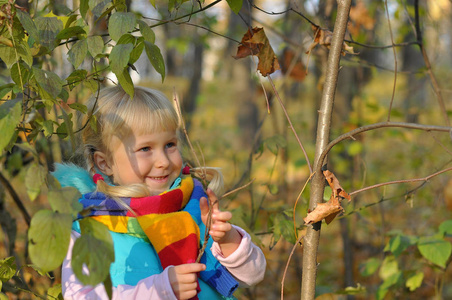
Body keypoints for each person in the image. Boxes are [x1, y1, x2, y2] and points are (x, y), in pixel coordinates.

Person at [53, 85, 266, 299]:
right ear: (105, 163)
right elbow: (80, 296)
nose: (163, 161)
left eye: (170, 145)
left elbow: (253, 276)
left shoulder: (194, 206)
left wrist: (229, 240)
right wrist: (160, 290)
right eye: (145, 149)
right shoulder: (88, 228)